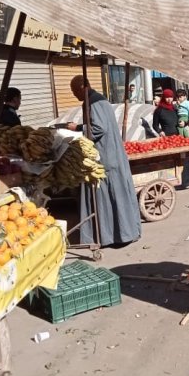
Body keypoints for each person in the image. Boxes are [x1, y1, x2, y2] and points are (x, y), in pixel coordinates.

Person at [68, 76, 141, 247]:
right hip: (111, 154)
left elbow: (99, 128)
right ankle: (121, 232)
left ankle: (115, 234)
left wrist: (78, 128)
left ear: (83, 87)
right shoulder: (97, 100)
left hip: (106, 157)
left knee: (109, 197)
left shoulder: (94, 102)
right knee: (115, 196)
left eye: (75, 91)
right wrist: (79, 127)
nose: (74, 94)